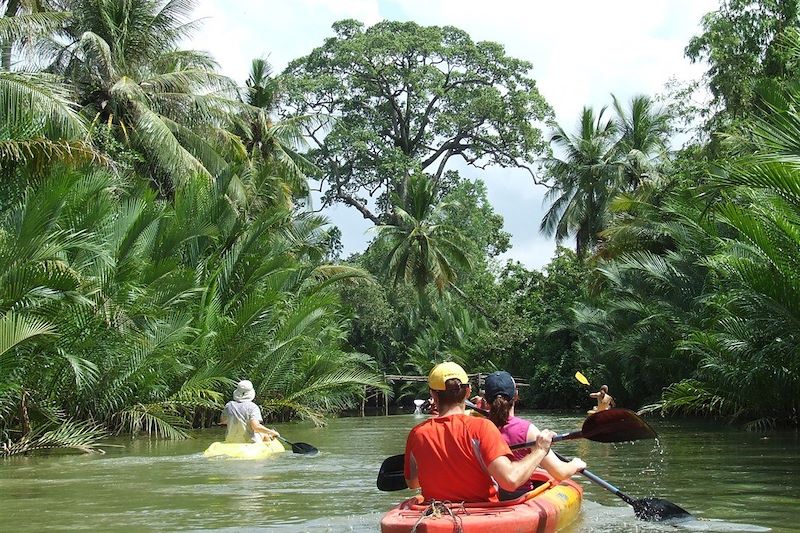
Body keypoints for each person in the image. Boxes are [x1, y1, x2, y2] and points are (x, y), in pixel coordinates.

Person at [404, 362, 557, 503]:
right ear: (468, 391)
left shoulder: (417, 434)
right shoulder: (482, 427)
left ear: (433, 395)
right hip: (481, 514)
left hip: (437, 514)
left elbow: (413, 482)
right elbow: (510, 481)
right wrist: (540, 450)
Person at [483, 371, 586, 500]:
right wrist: (575, 464)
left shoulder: (478, 428)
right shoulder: (527, 430)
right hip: (519, 498)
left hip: (488, 498)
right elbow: (560, 472)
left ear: (485, 401)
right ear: (516, 395)